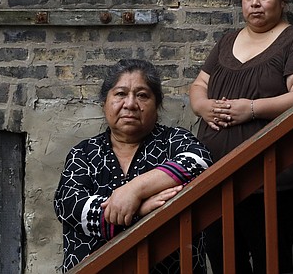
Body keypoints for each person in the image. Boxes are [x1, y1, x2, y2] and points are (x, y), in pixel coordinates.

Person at [190, 0, 293, 274]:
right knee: (222, 256)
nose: (255, 3)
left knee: (269, 259)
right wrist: (203, 107)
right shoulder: (227, 41)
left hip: (270, 177)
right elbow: (199, 84)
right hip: (215, 175)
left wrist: (251, 109)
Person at [54, 59, 213, 273]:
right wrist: (141, 210)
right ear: (104, 103)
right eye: (120, 94)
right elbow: (71, 205)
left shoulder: (174, 141)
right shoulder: (83, 154)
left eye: (142, 95)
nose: (130, 104)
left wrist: (135, 189)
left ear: (157, 105)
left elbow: (199, 163)